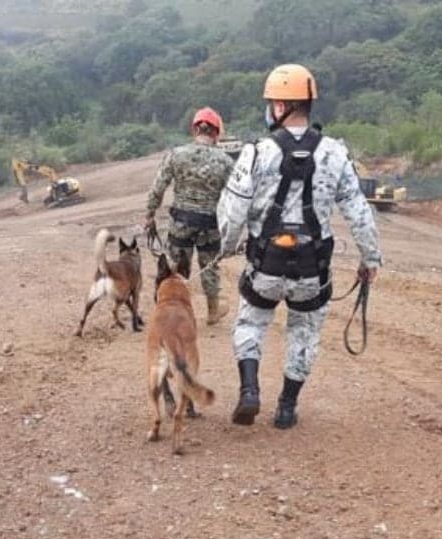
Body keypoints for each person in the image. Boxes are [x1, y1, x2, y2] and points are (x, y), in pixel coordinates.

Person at [216, 64, 382, 429]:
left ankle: (249, 391)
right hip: (312, 268)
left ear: (280, 106)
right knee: (304, 333)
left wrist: (226, 246)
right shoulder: (336, 153)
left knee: (250, 322)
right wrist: (369, 258)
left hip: (265, 264)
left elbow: (233, 208)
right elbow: (358, 211)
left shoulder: (256, 152)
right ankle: (287, 408)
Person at [145, 107, 235, 325]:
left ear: (195, 129)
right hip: (210, 223)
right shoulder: (225, 161)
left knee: (173, 266)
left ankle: (167, 309)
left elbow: (158, 187)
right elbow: (235, 196)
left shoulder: (176, 155)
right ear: (216, 132)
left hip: (181, 221)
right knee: (209, 267)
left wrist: (150, 214)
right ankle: (212, 311)